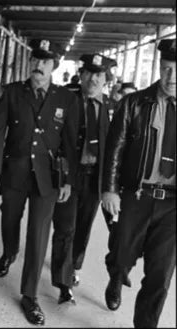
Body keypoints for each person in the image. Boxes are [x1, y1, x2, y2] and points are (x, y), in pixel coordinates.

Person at [0, 39, 79, 326]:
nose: (39, 67)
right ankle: (9, 252)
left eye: (45, 63)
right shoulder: (13, 93)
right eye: (35, 61)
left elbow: (70, 143)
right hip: (14, 172)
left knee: (39, 235)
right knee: (10, 219)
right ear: (30, 63)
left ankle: (30, 295)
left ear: (53, 67)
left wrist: (68, 181)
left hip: (48, 179)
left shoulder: (66, 99)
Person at [101, 39, 176, 328]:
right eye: (168, 69)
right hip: (137, 195)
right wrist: (110, 189)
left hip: (172, 205)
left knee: (160, 275)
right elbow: (115, 147)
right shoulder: (134, 103)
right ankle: (116, 277)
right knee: (121, 256)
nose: (172, 78)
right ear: (160, 67)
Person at [51, 54, 116, 305]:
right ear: (82, 74)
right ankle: (63, 283)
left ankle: (74, 265)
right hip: (69, 174)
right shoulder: (67, 100)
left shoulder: (112, 107)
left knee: (83, 227)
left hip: (95, 178)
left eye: (99, 75)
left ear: (105, 79)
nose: (94, 79)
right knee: (65, 228)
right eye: (89, 73)